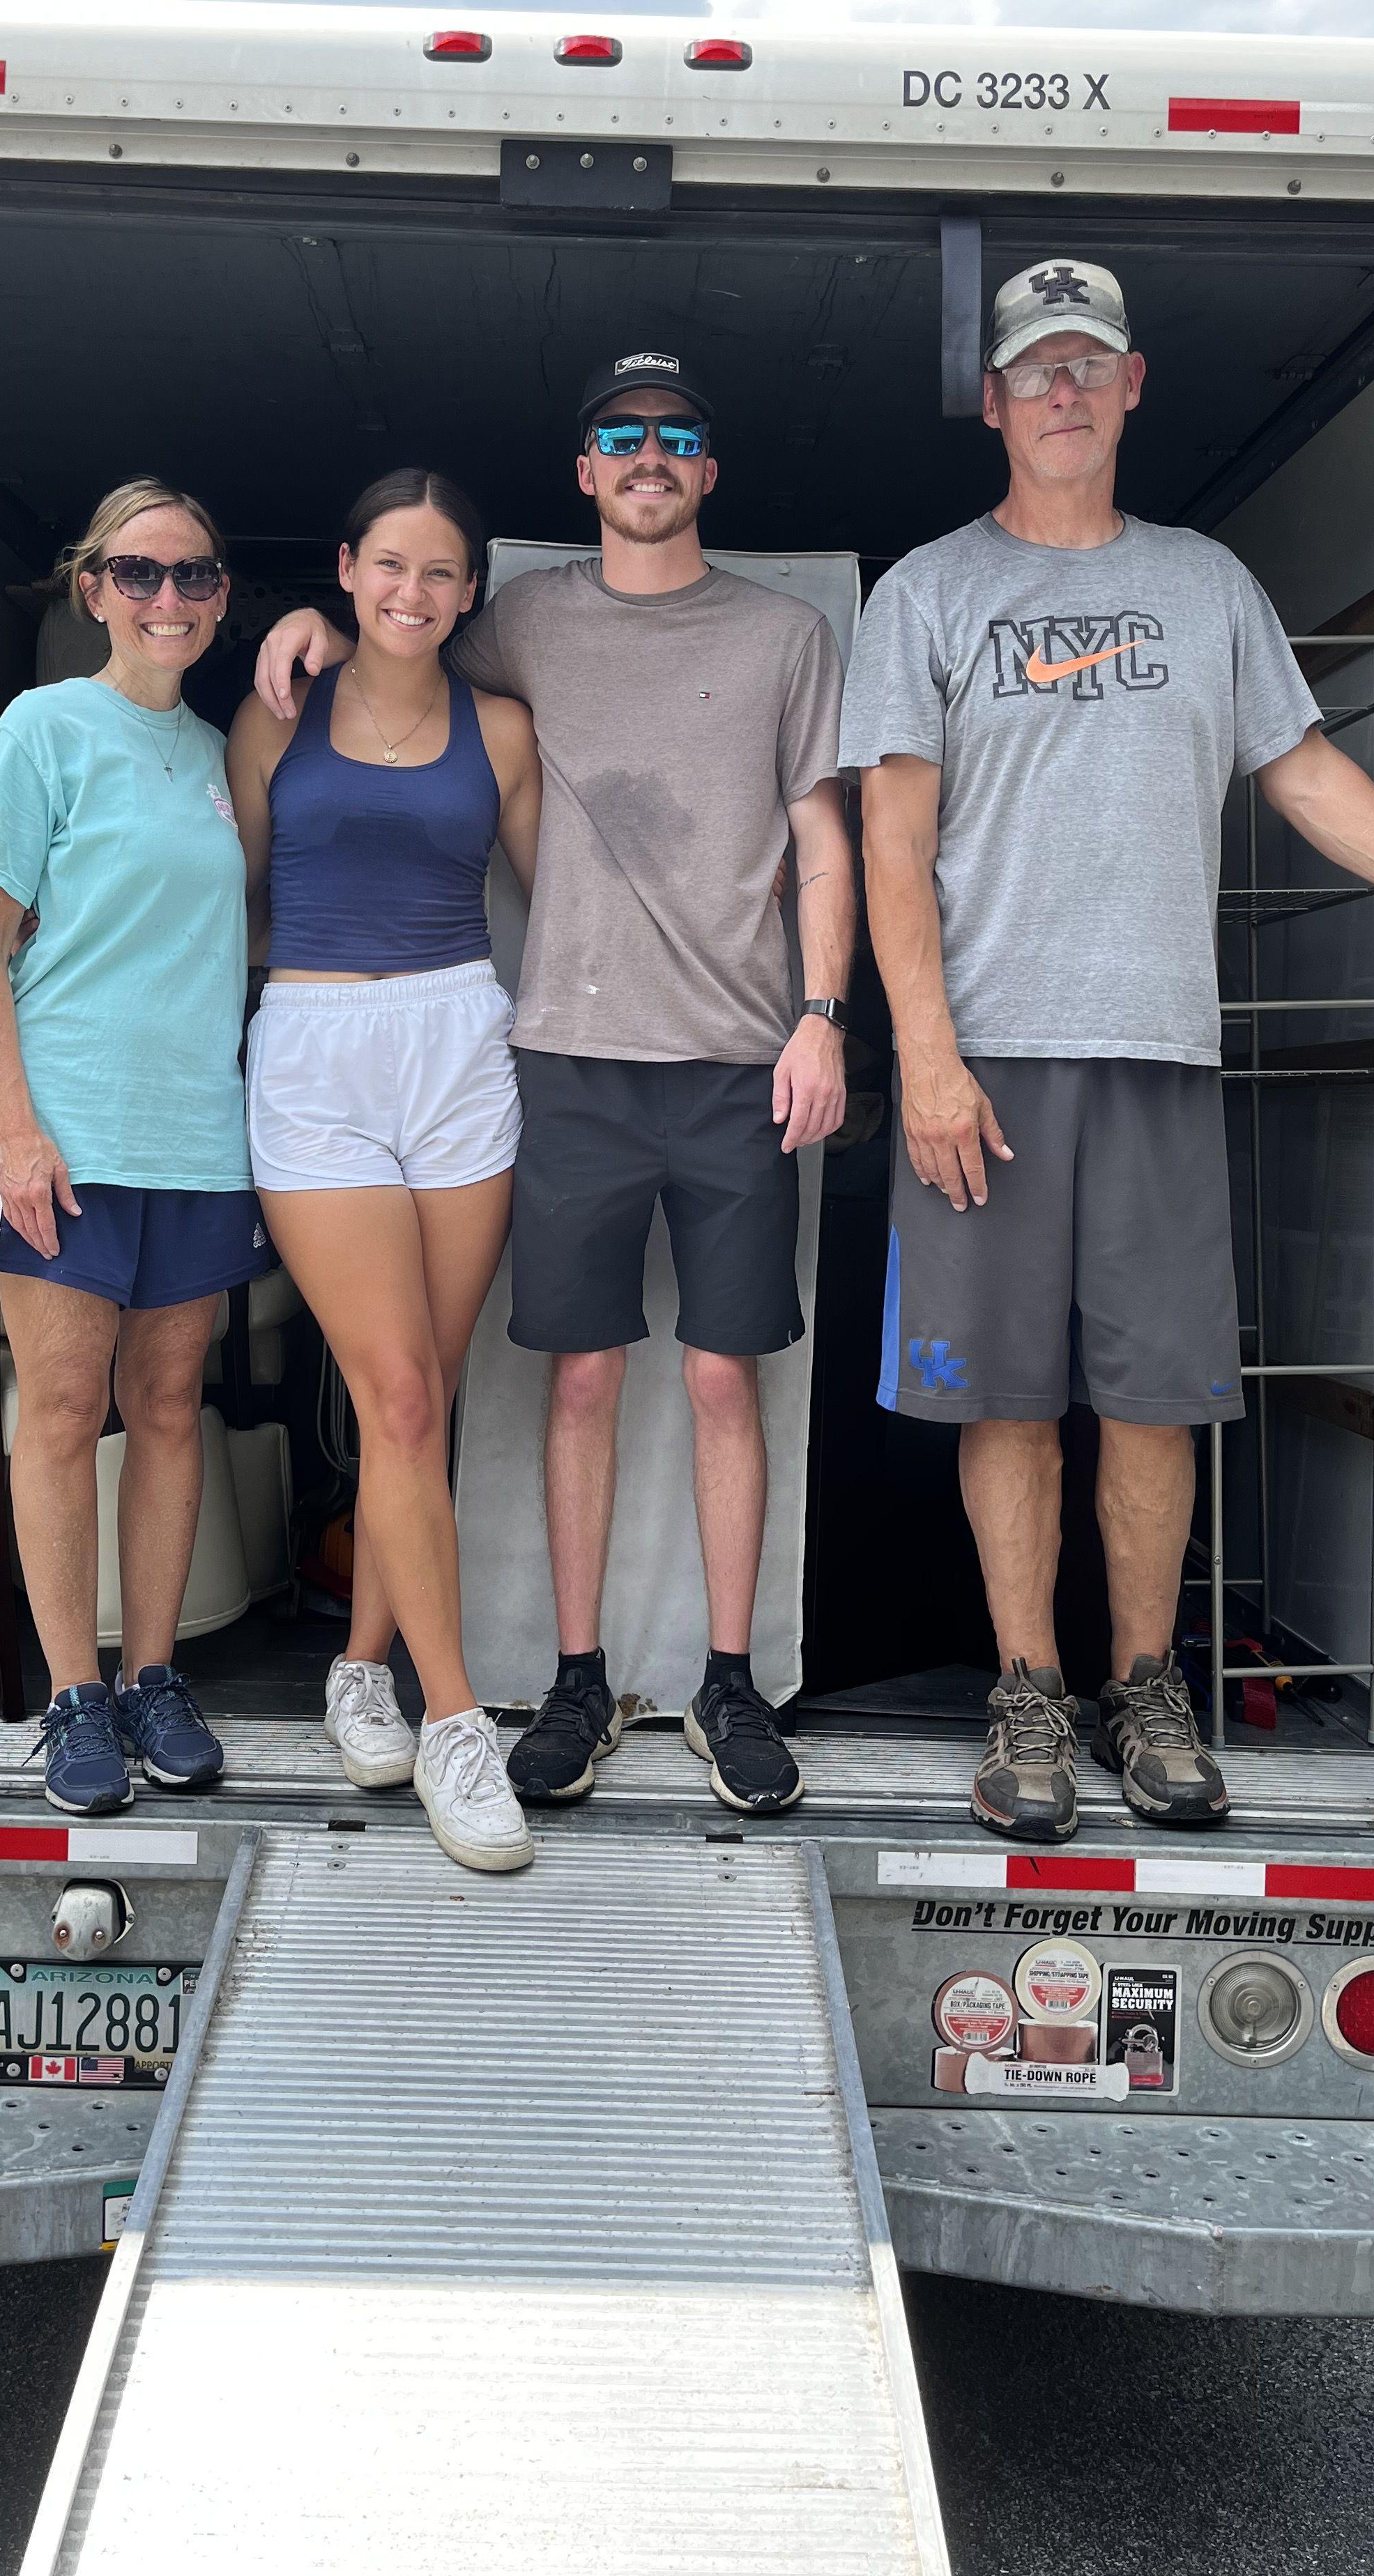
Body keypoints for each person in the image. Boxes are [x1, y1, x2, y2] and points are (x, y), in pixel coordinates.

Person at [847, 259, 1374, 1840]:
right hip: (992, 1062)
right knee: (1009, 1405)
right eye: (1033, 370)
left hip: (1161, 1057)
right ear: (991, 402)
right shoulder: (925, 592)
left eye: (1086, 368)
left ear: (1133, 388)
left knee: (1159, 1398)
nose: (1060, 393)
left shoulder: (1206, 585)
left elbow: (1305, 773)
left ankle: (1147, 1689)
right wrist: (923, 1053)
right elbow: (890, 846)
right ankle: (1028, 1695)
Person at [256, 354, 854, 1817]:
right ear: (584, 473)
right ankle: (571, 1681)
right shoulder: (521, 621)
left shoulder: (787, 636)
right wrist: (306, 629)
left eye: (677, 435)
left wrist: (825, 1015)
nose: (649, 455)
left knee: (722, 1379)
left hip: (731, 1058)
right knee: (570, 1379)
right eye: (621, 438)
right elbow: (398, 651)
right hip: (561, 1061)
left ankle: (729, 1681)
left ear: (709, 469)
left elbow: (828, 841)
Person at [225, 470, 544, 1873]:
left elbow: (569, 913)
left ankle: (362, 1666)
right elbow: (216, 893)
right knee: (401, 1395)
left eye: (441, 573)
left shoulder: (506, 731)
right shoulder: (276, 709)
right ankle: (456, 1726)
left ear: (470, 592)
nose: (412, 593)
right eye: (388, 566)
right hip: (315, 1044)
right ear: (347, 569)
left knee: (419, 1399)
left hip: (461, 1040)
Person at [0, 478, 273, 1816]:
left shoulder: (218, 755)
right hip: (61, 1134)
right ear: (92, 589)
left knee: (172, 1411)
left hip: (196, 1133)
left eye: (195, 577)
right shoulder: (44, 727)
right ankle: (73, 1697)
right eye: (139, 574)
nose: (168, 599)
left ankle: (154, 1679)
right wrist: (17, 1134)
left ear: (220, 598)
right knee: (67, 1413)